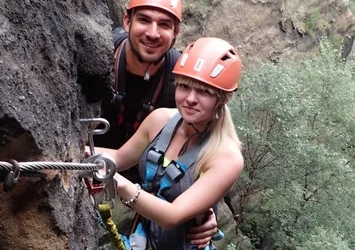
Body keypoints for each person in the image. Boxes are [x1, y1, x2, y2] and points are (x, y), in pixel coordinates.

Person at [92, 0, 218, 247]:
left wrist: (208, 206)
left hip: (147, 185)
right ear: (127, 21)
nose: (152, 33)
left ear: (176, 32)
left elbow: (209, 140)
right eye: (144, 20)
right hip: (96, 164)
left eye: (164, 25)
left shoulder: (183, 81)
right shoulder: (99, 55)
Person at [90, 37, 245, 250]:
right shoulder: (160, 120)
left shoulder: (226, 157)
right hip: (143, 239)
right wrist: (73, 152)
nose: (190, 98)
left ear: (223, 98)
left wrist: (121, 184)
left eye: (204, 91)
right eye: (184, 86)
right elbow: (120, 158)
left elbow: (172, 216)